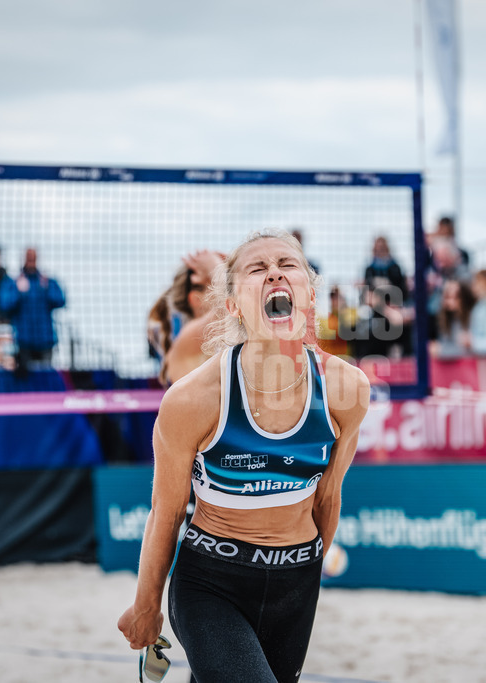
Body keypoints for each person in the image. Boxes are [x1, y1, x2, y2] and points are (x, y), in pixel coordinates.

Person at [117, 229, 370, 683]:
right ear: (231, 304)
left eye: (288, 264)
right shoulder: (192, 399)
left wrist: (306, 575)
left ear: (309, 295)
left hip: (296, 584)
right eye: (257, 268)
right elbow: (166, 511)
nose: (274, 271)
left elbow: (328, 499)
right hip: (212, 581)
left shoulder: (346, 389)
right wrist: (147, 604)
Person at [160, 250, 225, 385]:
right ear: (196, 299)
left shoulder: (228, 340)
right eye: (215, 285)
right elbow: (235, 306)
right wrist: (217, 268)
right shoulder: (188, 337)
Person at [0, 247, 66, 366]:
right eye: (28, 257)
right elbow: (4, 305)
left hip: (45, 339)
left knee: (45, 377)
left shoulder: (46, 281)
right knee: (26, 380)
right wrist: (18, 292)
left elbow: (61, 301)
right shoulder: (14, 282)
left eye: (33, 258)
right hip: (23, 341)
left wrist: (46, 289)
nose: (30, 261)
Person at [431, 278, 475, 359]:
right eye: (447, 296)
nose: (451, 301)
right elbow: (444, 343)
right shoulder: (446, 318)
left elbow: (468, 350)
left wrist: (441, 351)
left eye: (456, 297)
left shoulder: (474, 316)